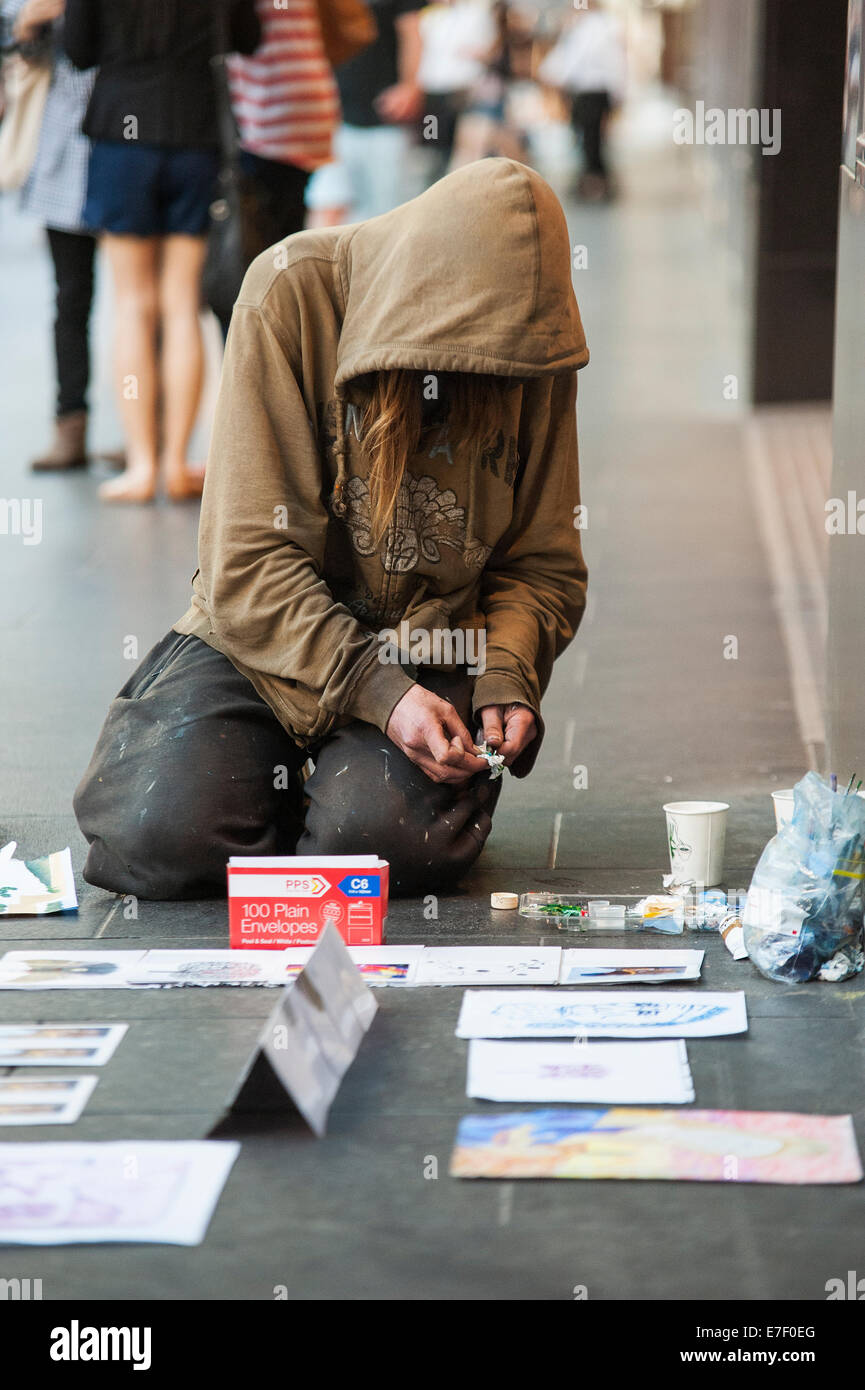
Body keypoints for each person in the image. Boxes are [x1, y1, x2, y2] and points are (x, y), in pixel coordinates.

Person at [73, 158, 589, 900]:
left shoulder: (535, 351)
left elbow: (542, 564)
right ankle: (274, 778)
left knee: (374, 852)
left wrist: (507, 676)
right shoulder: (289, 289)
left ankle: (331, 789)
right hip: (264, 639)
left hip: (429, 638)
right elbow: (248, 565)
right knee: (155, 838)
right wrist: (375, 694)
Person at [63, 0, 261, 503]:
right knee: (181, 305)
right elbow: (248, 37)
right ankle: (177, 463)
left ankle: (142, 465)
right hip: (195, 136)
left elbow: (78, 51)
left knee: (132, 304)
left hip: (121, 135)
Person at [1, 0, 100, 471]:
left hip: (129, 154)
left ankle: (151, 434)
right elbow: (19, 44)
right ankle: (70, 424)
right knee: (71, 299)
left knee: (145, 303)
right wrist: (30, 23)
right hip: (65, 161)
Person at [216, 0, 340, 336]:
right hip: (311, 104)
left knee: (257, 252)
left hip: (269, 113)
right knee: (284, 241)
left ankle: (261, 352)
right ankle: (291, 347)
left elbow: (241, 38)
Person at [305, 0, 424, 226]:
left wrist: (410, 86)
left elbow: (412, 33)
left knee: (387, 214)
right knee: (326, 206)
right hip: (335, 118)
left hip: (384, 119)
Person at [538, 1, 625, 200]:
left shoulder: (599, 27)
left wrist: (555, 75)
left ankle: (597, 185)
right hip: (587, 92)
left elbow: (575, 60)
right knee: (588, 140)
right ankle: (592, 182)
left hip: (593, 92)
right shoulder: (584, 26)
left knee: (592, 141)